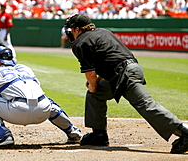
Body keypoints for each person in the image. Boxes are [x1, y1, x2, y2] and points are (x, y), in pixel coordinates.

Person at [63, 14, 188, 154]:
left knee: (146, 105)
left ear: (77, 29)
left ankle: (185, 133)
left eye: (70, 30)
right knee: (97, 94)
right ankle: (99, 135)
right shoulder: (103, 32)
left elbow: (91, 75)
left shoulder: (81, 42)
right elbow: (110, 59)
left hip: (125, 75)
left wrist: (92, 85)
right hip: (131, 69)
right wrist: (96, 84)